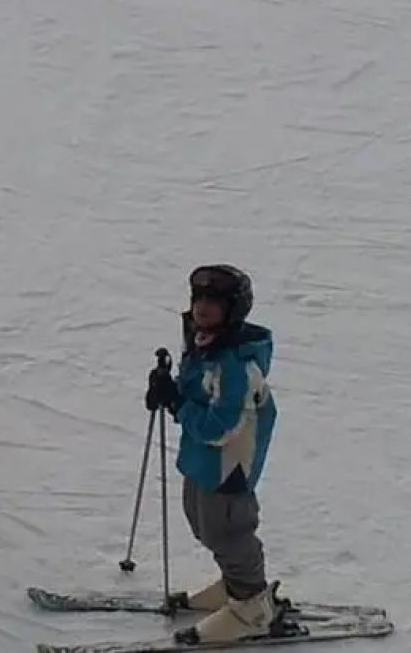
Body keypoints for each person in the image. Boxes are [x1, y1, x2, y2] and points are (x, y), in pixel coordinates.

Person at [145, 264, 280, 645]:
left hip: (228, 463)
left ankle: (251, 604)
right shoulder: (205, 343)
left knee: (228, 530)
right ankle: (235, 584)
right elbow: (198, 391)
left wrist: (178, 405)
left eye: (214, 302)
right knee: (202, 522)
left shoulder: (235, 364)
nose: (202, 308)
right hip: (203, 458)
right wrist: (168, 388)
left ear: (233, 309)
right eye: (198, 299)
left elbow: (220, 426)